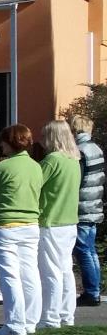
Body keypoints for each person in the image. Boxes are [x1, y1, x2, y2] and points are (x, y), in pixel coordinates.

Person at [0, 124, 43, 335]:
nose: (0, 144)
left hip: (4, 226)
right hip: (30, 225)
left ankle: (15, 324)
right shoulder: (36, 167)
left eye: (3, 141)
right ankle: (30, 321)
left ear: (9, 143)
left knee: (10, 276)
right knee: (30, 274)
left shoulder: (1, 168)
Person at [35, 120, 82, 330]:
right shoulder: (74, 160)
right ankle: (66, 315)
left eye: (44, 135)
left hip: (50, 221)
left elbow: (33, 185)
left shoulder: (51, 160)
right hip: (69, 221)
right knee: (65, 270)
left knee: (50, 271)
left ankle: (50, 317)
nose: (41, 140)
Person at [72, 114, 103, 307]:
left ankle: (91, 292)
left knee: (83, 251)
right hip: (94, 204)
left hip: (82, 206)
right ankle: (94, 290)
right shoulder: (95, 148)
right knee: (90, 250)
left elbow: (77, 180)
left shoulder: (80, 151)